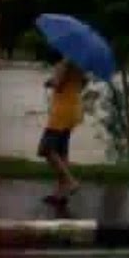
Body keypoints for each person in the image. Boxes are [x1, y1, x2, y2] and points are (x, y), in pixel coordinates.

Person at [38, 57, 86, 203]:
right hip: (73, 110)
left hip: (61, 113)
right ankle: (60, 194)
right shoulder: (80, 65)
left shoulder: (65, 63)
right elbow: (83, 84)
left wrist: (49, 82)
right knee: (61, 151)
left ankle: (71, 182)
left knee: (45, 149)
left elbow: (58, 85)